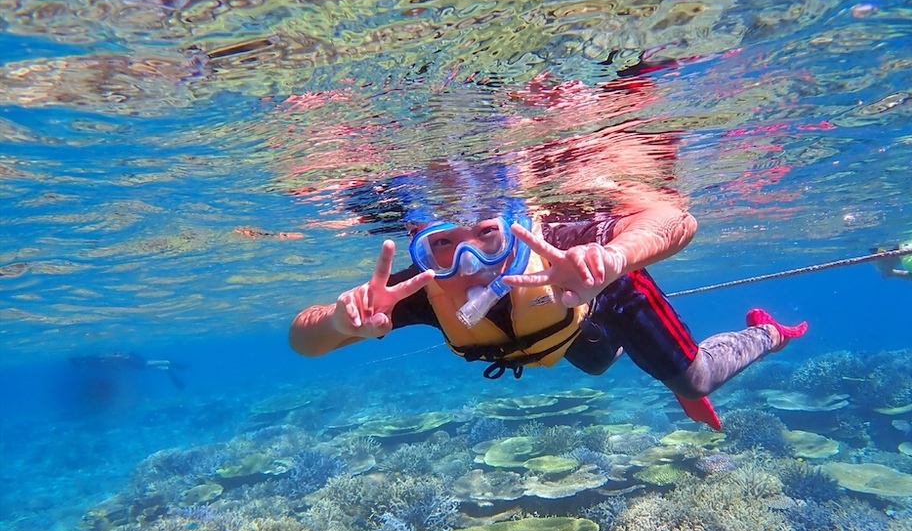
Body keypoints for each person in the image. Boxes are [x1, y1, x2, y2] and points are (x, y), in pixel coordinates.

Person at [288, 162, 807, 431]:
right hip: (560, 332)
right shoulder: (419, 288)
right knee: (598, 363)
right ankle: (633, 349)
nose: (469, 264)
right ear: (418, 245)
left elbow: (678, 220)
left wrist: (614, 258)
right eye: (441, 245)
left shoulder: (561, 244)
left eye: (487, 235)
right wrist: (338, 324)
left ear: (514, 224)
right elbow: (302, 342)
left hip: (602, 288)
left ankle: (767, 333)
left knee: (697, 378)